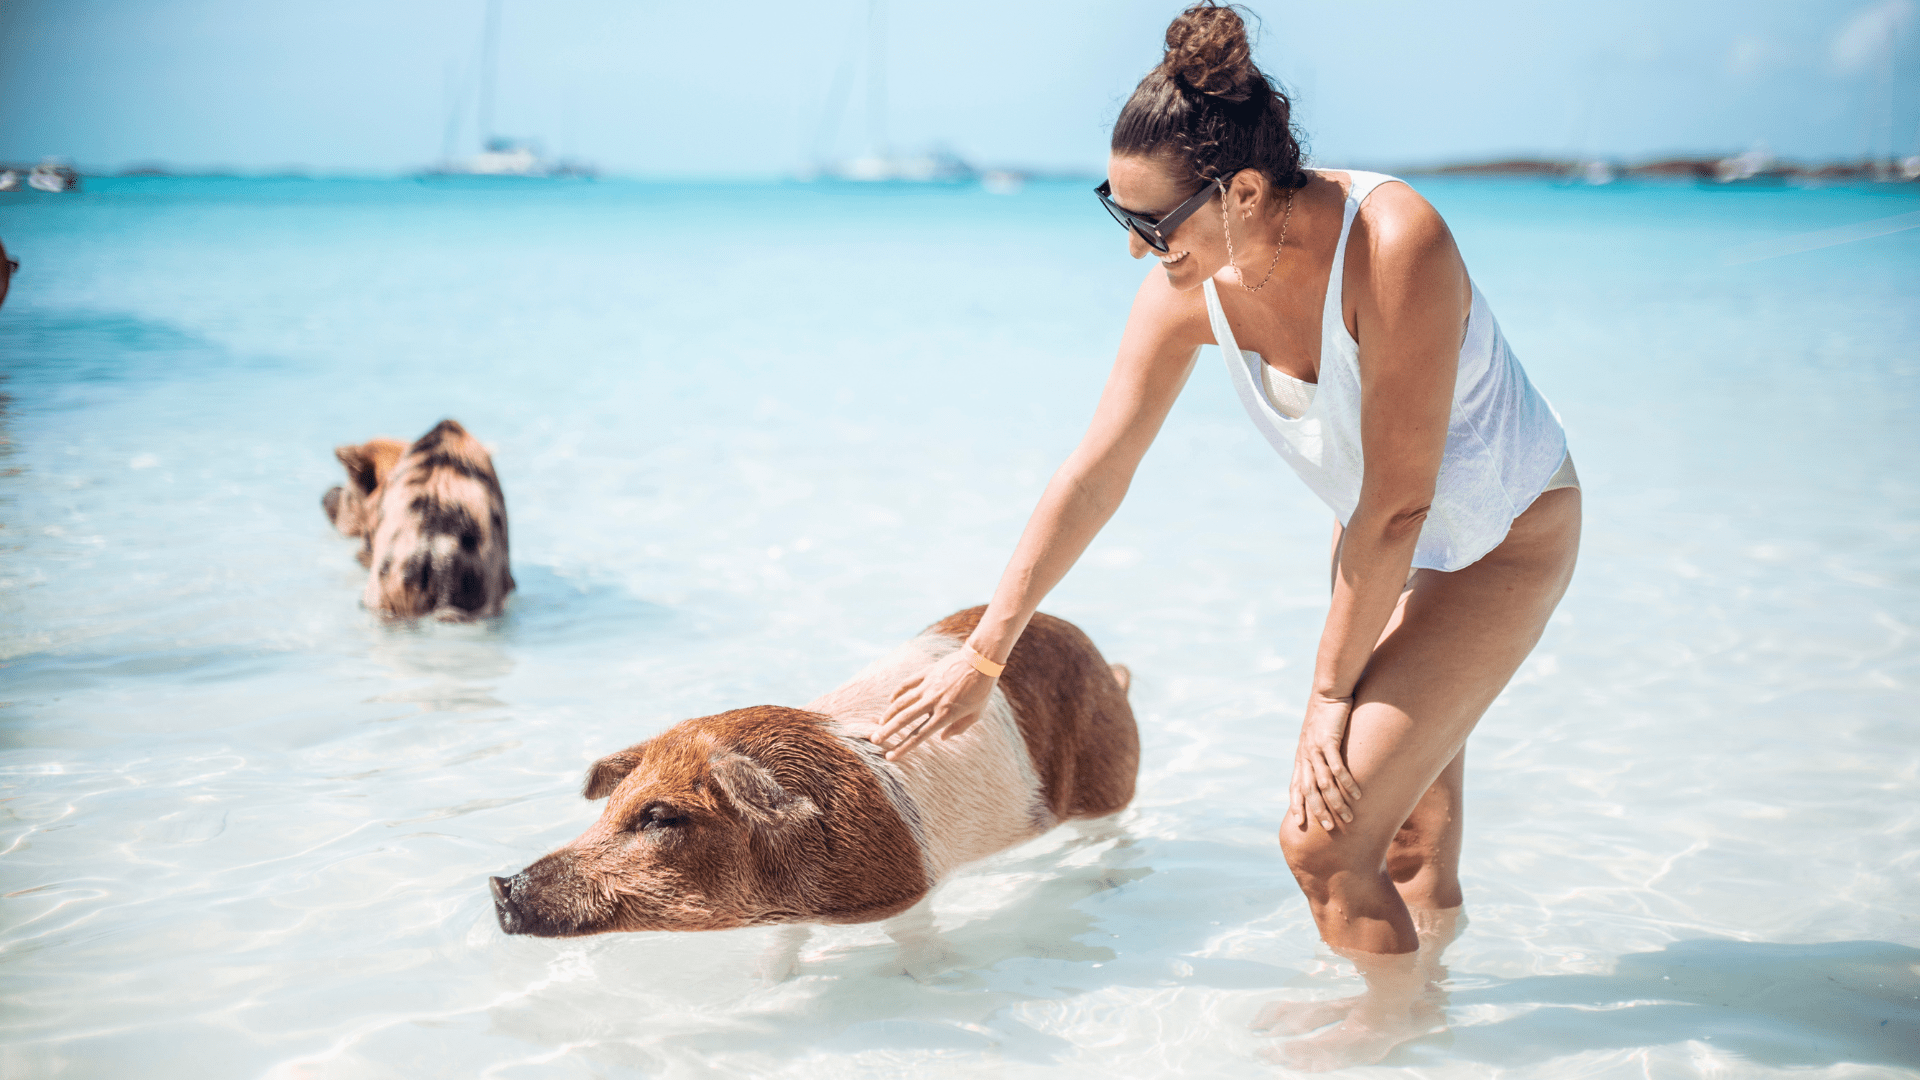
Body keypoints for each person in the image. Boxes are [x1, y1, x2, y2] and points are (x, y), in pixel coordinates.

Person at [872, 1, 1580, 1069]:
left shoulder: (1395, 243)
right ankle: (1423, 1022)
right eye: (1116, 214)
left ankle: (1383, 1039)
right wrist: (988, 648)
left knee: (1324, 842)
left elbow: (1398, 502)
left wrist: (1328, 695)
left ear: (1244, 192)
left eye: (1154, 225)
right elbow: (1095, 474)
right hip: (1386, 557)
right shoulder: (1188, 291)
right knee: (1408, 840)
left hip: (1501, 543)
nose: (1135, 248)